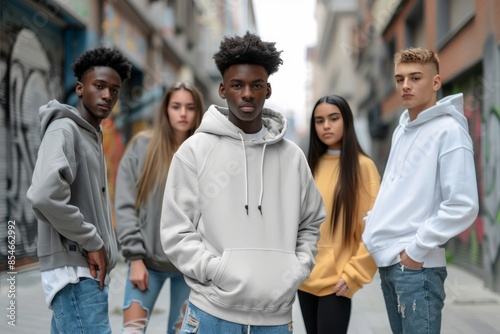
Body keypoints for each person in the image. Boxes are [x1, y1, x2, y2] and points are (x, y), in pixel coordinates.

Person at [159, 31, 326, 332]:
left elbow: (311, 223)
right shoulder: (195, 151)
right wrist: (217, 271)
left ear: (268, 90)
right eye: (237, 85)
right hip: (211, 314)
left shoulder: (293, 157)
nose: (247, 93)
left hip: (274, 320)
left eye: (256, 85)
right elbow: (176, 230)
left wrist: (295, 269)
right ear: (223, 90)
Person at [362, 47, 479, 334]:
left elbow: (463, 205)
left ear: (436, 82)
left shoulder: (448, 131)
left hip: (417, 268)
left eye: (415, 78)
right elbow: (395, 186)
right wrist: (375, 220)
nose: (405, 86)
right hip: (391, 264)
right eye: (399, 79)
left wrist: (415, 251)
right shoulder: (402, 129)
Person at [27, 47, 132, 333]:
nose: (108, 95)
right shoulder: (65, 129)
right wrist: (93, 241)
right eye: (99, 86)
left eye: (115, 89)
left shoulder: (92, 136)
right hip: (76, 274)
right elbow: (43, 195)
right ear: (80, 88)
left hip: (84, 274)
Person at [115, 82, 205, 333]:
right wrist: (134, 259)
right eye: (176, 106)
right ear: (165, 110)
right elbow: (125, 206)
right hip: (147, 265)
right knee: (132, 331)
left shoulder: (205, 154)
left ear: (198, 112)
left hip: (190, 270)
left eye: (190, 107)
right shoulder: (142, 147)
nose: (183, 113)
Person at [298, 95, 380, 333]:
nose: (326, 126)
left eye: (333, 118)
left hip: (337, 282)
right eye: (319, 120)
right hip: (305, 278)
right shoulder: (309, 165)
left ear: (347, 121)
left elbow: (374, 227)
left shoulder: (363, 167)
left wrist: (354, 274)